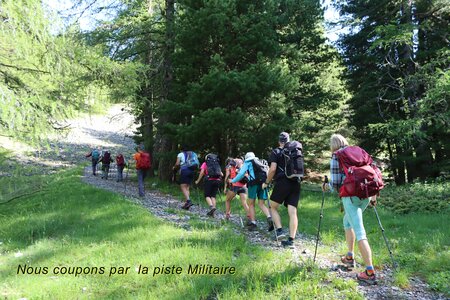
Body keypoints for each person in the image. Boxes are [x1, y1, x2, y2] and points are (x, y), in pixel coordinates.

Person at [322, 134, 377, 285]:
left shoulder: (336, 156)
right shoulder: (358, 151)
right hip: (365, 195)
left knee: (359, 231)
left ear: (333, 145)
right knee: (348, 222)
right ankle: (350, 257)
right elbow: (373, 170)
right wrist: (373, 196)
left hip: (350, 196)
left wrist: (326, 186)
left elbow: (336, 184)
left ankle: (370, 272)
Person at [263, 132, 301, 248]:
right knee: (293, 211)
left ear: (279, 141)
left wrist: (266, 182)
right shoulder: (295, 151)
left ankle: (279, 231)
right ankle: (291, 240)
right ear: (288, 140)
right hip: (296, 181)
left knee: (272, 207)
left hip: (283, 182)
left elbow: (273, 169)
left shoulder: (276, 152)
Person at [230, 152, 273, 231]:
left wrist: (233, 181)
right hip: (263, 184)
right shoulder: (260, 162)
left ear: (246, 158)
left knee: (251, 204)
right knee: (261, 203)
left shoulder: (248, 162)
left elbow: (241, 174)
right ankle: (269, 217)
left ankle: (253, 223)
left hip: (253, 184)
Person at [173, 145, 199, 210]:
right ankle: (187, 204)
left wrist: (174, 167)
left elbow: (177, 163)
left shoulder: (180, 154)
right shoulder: (193, 154)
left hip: (185, 171)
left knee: (182, 186)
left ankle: (188, 201)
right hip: (192, 171)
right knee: (187, 187)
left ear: (182, 150)